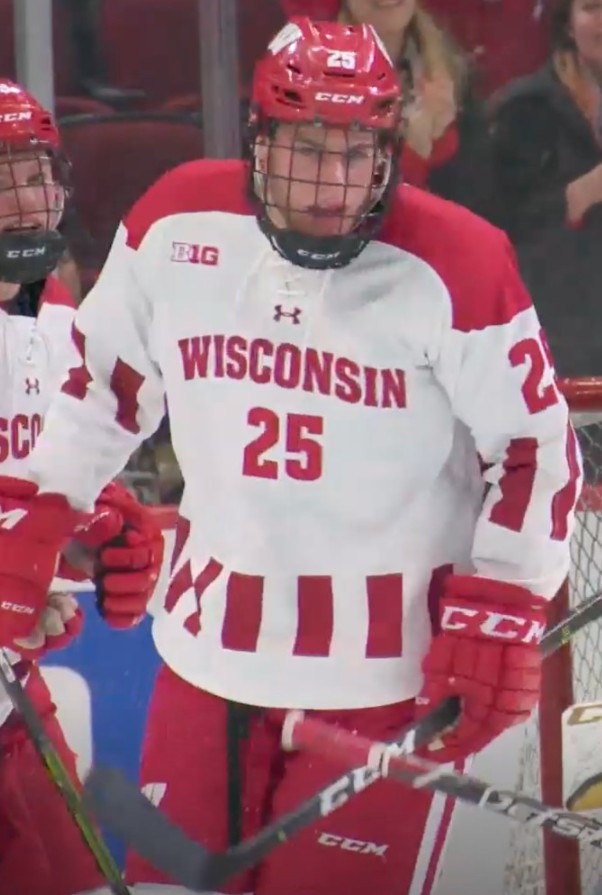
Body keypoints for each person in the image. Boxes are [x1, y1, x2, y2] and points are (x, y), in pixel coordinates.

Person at [0, 19, 581, 895]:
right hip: (206, 664)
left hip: (386, 683)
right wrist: (42, 512)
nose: (333, 185)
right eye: (309, 151)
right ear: (259, 140)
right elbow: (102, 389)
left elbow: (536, 445)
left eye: (356, 156)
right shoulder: (177, 220)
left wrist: (502, 602)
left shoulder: (457, 260)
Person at [0, 80, 164, 895]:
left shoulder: (60, 315)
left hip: (11, 706)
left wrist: (94, 533)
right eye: (2, 181)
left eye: (36, 174)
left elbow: (39, 487)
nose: (28, 202)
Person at [280, 0, 498, 219]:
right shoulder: (310, 76)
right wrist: (416, 152)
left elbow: (481, 200)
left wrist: (442, 140)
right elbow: (337, 209)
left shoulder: (451, 70)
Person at [491, 0, 602, 378]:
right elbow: (501, 224)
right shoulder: (524, 109)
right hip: (562, 340)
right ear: (568, 24)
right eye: (592, 7)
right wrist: (583, 193)